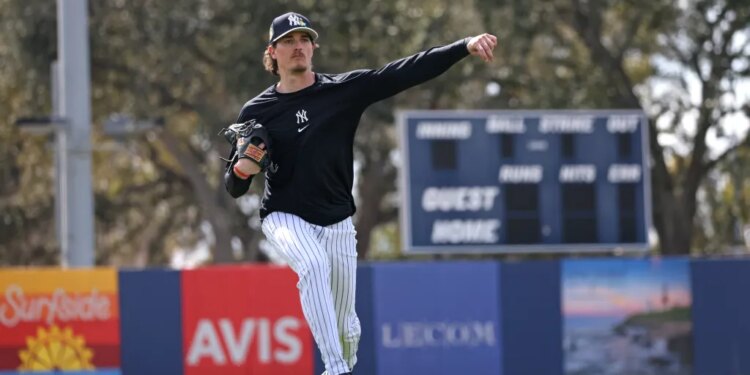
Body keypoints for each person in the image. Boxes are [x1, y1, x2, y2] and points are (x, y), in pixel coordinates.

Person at [224, 11, 497, 375]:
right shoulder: (257, 111)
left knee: (347, 328)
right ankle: (334, 369)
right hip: (284, 214)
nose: (297, 47)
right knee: (313, 265)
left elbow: (404, 72)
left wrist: (463, 46)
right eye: (288, 41)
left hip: (337, 219)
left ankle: (343, 361)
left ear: (313, 46)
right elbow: (234, 184)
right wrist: (243, 169)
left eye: (304, 39)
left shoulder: (341, 91)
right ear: (272, 52)